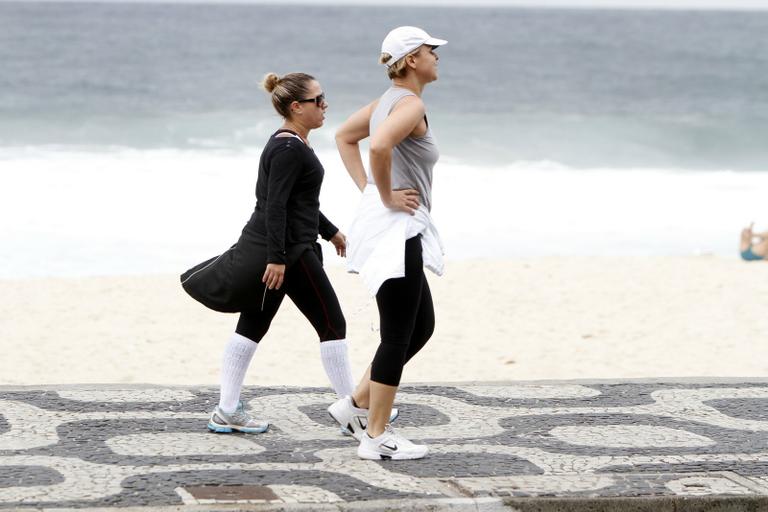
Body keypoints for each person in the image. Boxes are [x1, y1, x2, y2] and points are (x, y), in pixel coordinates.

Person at [180, 72, 356, 434]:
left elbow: (297, 202)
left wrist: (330, 230)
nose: (325, 105)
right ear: (296, 107)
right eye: (318, 100)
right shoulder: (288, 148)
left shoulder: (294, 144)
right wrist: (276, 258)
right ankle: (354, 411)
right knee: (331, 323)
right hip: (290, 253)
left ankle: (227, 409)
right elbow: (274, 206)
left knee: (253, 326)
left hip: (289, 247)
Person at [328, 26, 447, 460]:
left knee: (420, 325)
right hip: (394, 228)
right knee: (398, 333)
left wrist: (370, 193)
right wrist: (383, 195)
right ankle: (376, 437)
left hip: (393, 225)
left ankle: (356, 406)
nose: (438, 56)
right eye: (431, 51)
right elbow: (377, 145)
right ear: (412, 59)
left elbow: (344, 136)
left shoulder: (387, 102)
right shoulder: (409, 103)